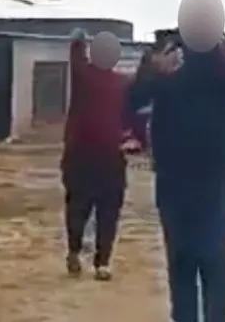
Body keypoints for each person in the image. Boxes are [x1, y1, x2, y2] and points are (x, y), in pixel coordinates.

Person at [129, 37, 225, 322]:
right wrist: (152, 69)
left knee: (191, 268)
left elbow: (132, 101)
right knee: (208, 268)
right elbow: (131, 102)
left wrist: (151, 68)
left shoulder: (204, 68)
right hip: (206, 189)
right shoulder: (206, 69)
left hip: (189, 191)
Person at [61, 31, 132, 281]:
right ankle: (102, 263)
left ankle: (74, 251)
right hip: (111, 157)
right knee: (108, 212)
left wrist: (78, 39)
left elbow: (76, 57)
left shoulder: (83, 76)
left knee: (77, 207)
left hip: (80, 155)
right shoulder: (123, 84)